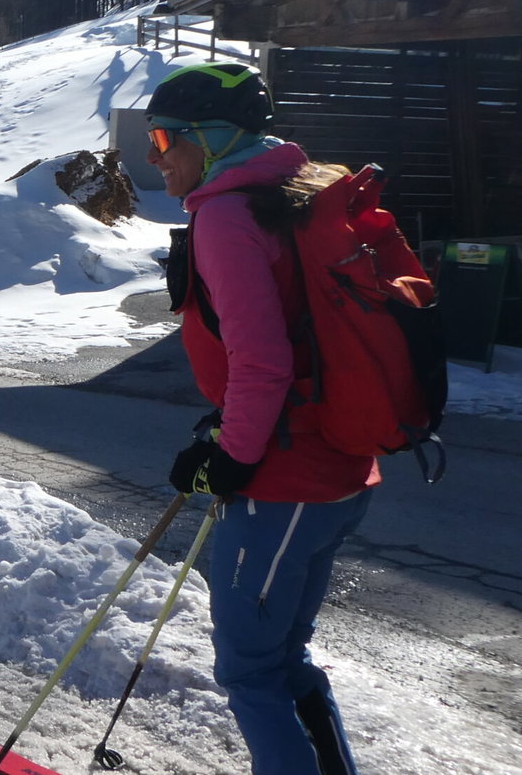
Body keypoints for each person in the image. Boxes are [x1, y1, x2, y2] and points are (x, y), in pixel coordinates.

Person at [146, 62, 376, 775]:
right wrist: (226, 433)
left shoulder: (226, 214)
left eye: (163, 140)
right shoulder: (289, 197)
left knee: (250, 674)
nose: (156, 158)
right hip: (339, 466)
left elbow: (264, 359)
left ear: (210, 140)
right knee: (283, 658)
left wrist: (232, 457)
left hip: (286, 480)